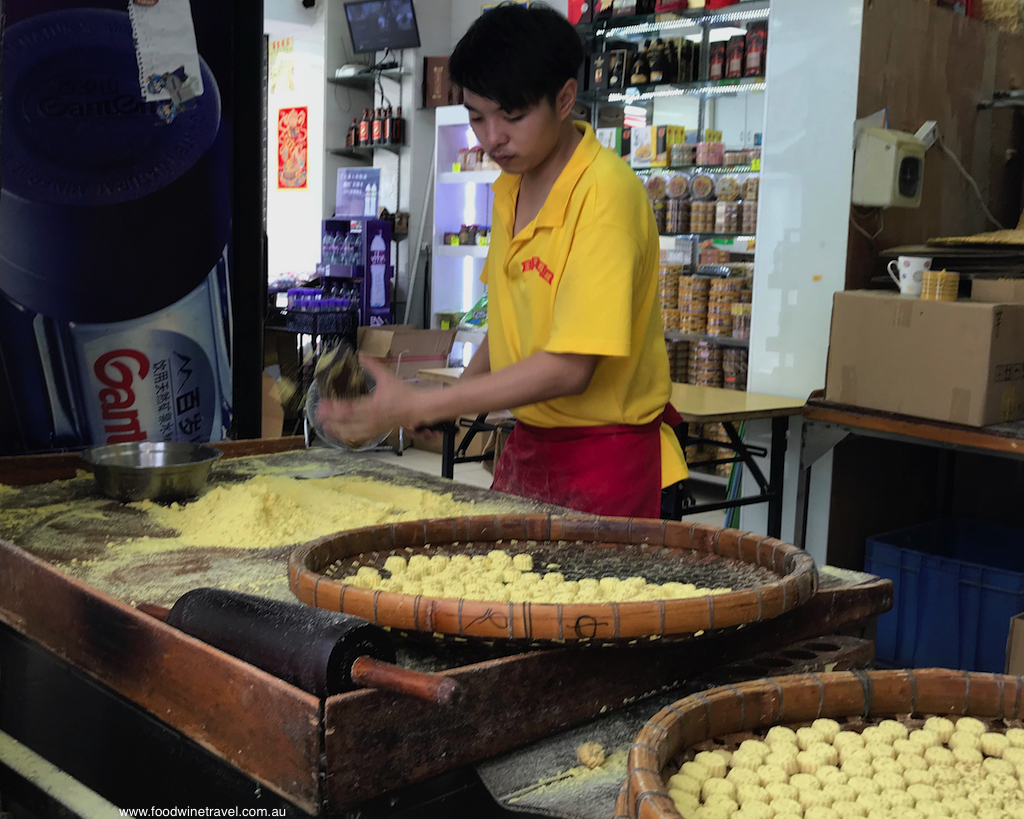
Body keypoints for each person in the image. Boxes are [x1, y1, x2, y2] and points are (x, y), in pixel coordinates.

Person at [319, 2, 687, 518]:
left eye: (511, 116)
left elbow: (570, 368)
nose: (492, 138)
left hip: (609, 459)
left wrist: (427, 402)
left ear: (564, 98)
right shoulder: (511, 185)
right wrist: (462, 396)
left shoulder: (604, 195)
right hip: (533, 448)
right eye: (476, 117)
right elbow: (508, 316)